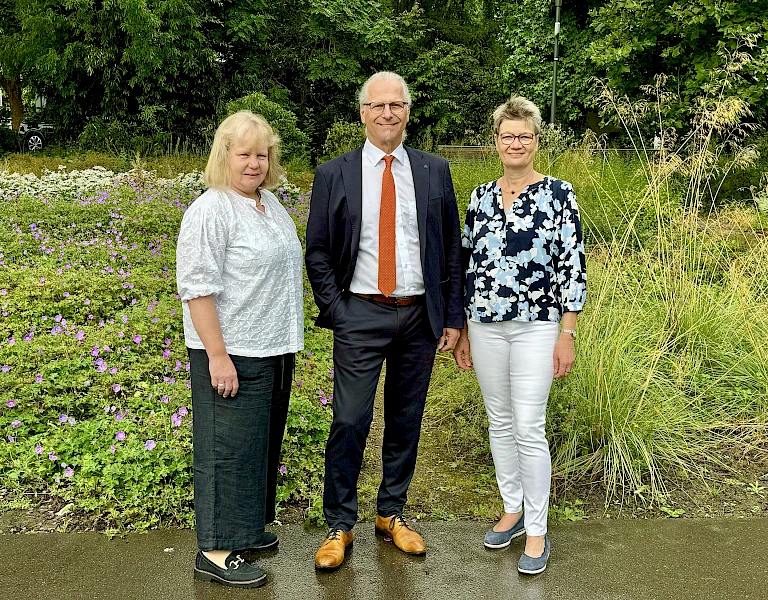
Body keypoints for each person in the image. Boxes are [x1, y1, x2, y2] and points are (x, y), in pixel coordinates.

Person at [305, 71, 463, 571]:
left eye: (396, 105)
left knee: (406, 419)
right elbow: (318, 252)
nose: (387, 113)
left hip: (418, 315)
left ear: (408, 112)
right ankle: (340, 522)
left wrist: (452, 317)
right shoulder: (335, 174)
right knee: (350, 418)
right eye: (377, 105)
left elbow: (452, 249)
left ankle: (391, 512)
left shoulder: (435, 171)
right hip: (361, 314)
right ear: (362, 113)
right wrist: (338, 310)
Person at [453, 96, 586, 575]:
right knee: (499, 420)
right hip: (486, 325)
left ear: (535, 141)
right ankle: (511, 508)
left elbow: (572, 263)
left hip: (538, 325)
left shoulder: (558, 193)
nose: (515, 143)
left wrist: (567, 331)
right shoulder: (480, 197)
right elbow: (467, 264)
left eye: (524, 136)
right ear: (496, 141)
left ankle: (536, 530)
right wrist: (464, 328)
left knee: (529, 426)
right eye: (507, 135)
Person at [176, 110, 304, 588]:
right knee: (225, 450)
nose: (254, 163)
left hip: (271, 346)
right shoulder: (211, 209)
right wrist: (217, 356)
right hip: (232, 350)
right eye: (244, 154)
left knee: (256, 447)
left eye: (262, 154)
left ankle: (245, 530)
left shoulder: (267, 203)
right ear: (224, 156)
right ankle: (215, 549)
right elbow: (197, 290)